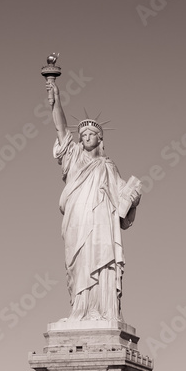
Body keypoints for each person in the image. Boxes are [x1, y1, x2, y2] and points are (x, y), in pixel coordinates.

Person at [46, 80, 141, 322]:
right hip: (77, 219)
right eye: (83, 134)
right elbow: (60, 129)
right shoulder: (74, 155)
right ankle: (80, 310)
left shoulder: (108, 166)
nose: (86, 137)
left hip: (101, 223)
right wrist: (56, 99)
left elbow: (124, 195)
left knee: (102, 260)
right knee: (78, 264)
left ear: (100, 139)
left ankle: (103, 310)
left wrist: (133, 196)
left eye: (92, 135)